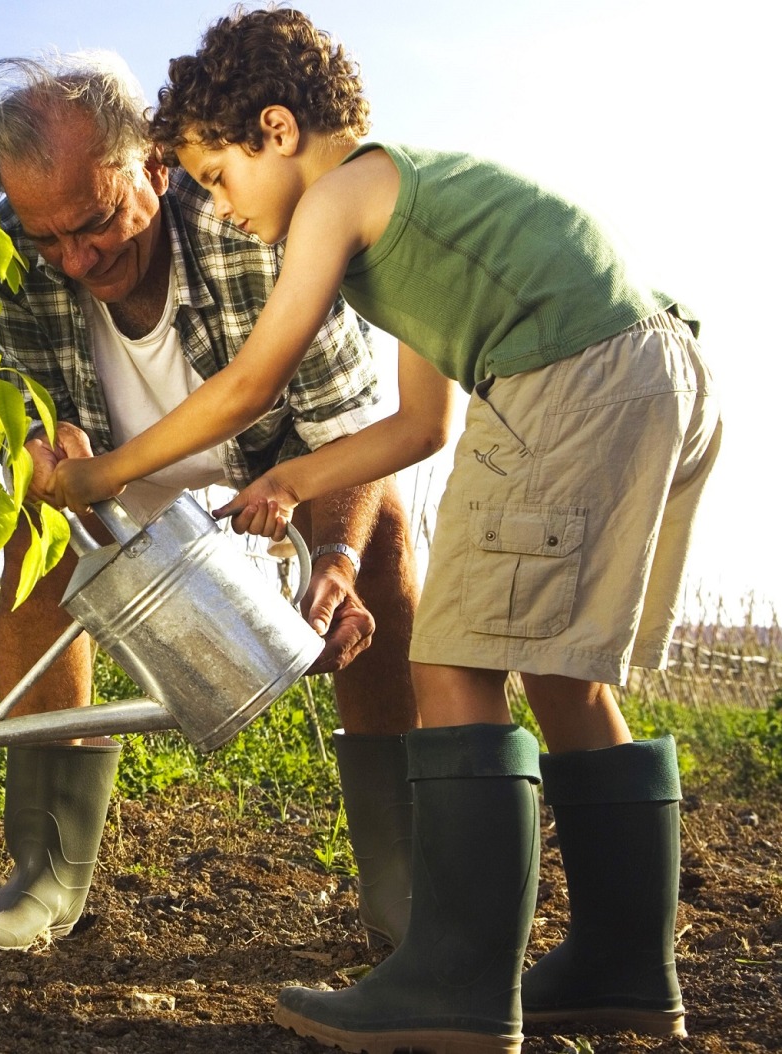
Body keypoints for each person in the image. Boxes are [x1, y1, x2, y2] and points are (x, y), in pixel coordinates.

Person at [47, 9, 721, 1052]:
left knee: (449, 662)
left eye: (216, 178)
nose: (219, 212)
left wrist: (101, 470)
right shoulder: (411, 214)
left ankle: (451, 983)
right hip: (647, 365)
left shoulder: (341, 196)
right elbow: (422, 423)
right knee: (564, 679)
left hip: (568, 379)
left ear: (277, 130)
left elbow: (247, 383)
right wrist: (296, 480)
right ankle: (624, 964)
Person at [0, 51, 421, 959]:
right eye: (51, 239)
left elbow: (348, 425)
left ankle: (405, 883)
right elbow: (21, 417)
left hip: (282, 445)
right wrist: (41, 459)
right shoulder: (11, 258)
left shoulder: (253, 222)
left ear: (154, 169)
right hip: (114, 463)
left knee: (382, 544)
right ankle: (46, 875)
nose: (77, 260)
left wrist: (335, 562)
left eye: (95, 224)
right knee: (32, 536)